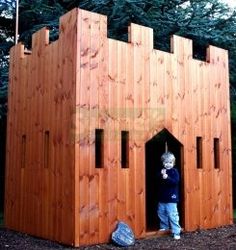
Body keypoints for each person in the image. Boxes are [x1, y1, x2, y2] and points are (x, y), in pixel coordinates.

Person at [157, 151, 181, 240]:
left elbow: (175, 182)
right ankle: (164, 228)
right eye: (166, 162)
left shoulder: (174, 171)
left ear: (173, 163)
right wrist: (161, 175)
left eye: (170, 162)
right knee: (161, 213)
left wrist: (167, 177)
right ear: (163, 163)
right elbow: (157, 180)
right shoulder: (162, 171)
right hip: (162, 198)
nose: (168, 164)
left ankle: (176, 232)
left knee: (173, 215)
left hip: (172, 198)